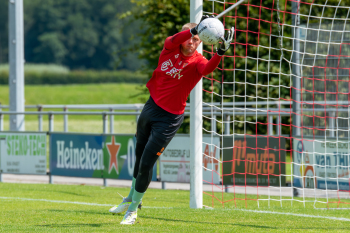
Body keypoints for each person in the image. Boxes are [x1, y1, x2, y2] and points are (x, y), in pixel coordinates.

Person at [109, 16, 234, 225]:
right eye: (190, 38)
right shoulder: (169, 48)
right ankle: (130, 199)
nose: (193, 43)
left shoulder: (198, 62)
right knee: (139, 158)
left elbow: (208, 69)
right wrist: (194, 30)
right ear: (183, 38)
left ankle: (132, 211)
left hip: (169, 119)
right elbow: (172, 40)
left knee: (147, 164)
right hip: (150, 108)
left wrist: (220, 53)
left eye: (197, 40)